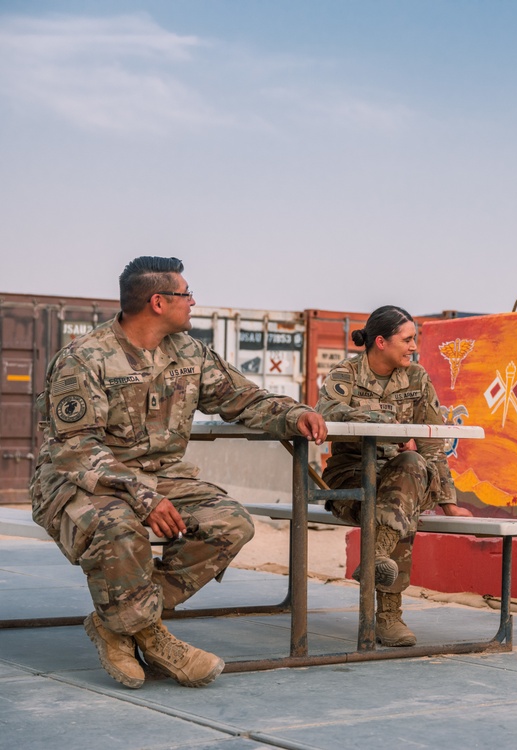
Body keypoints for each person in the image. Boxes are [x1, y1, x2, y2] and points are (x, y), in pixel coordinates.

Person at [29, 256, 327, 689]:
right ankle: (152, 636)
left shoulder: (189, 353)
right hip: (77, 480)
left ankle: (117, 624)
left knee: (230, 523)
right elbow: (77, 449)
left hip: (161, 475)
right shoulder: (85, 358)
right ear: (157, 301)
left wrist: (293, 413)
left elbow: (243, 399)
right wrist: (144, 498)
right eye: (186, 293)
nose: (193, 301)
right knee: (119, 526)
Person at [316, 305, 471, 647]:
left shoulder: (417, 378)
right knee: (401, 502)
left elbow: (433, 440)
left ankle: (376, 566)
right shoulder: (347, 373)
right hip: (351, 481)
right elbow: (326, 416)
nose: (414, 346)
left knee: (411, 470)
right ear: (381, 342)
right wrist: (386, 425)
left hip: (399, 476)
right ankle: (388, 616)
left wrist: (449, 503)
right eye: (408, 339)